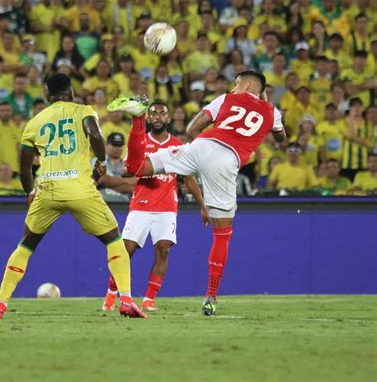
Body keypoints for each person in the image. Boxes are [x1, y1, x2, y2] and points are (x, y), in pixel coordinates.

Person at [106, 71, 286, 316]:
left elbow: (193, 127)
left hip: (200, 146)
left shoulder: (225, 100)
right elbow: (281, 137)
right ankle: (210, 296)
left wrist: (198, 157)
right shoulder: (272, 112)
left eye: (236, 84)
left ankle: (138, 119)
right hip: (225, 161)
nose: (233, 88)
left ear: (243, 84)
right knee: (222, 234)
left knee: (136, 167)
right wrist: (264, 104)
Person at [0, 74, 146, 320]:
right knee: (114, 240)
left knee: (26, 244)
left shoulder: (34, 122)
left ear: (47, 93)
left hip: (47, 188)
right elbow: (94, 136)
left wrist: (30, 193)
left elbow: (25, 167)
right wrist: (101, 162)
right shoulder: (84, 111)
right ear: (71, 92)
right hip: (80, 188)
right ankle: (125, 300)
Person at [102, 101, 207, 312]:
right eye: (154, 114)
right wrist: (132, 170)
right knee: (126, 251)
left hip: (167, 206)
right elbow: (126, 170)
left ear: (168, 119)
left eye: (162, 113)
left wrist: (202, 206)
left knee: (163, 250)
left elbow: (188, 179)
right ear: (148, 119)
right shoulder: (140, 142)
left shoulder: (178, 145)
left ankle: (149, 299)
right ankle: (112, 293)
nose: (158, 117)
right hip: (141, 204)